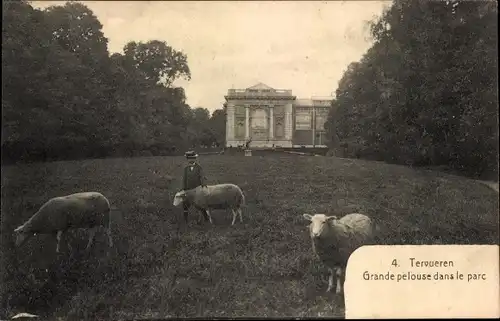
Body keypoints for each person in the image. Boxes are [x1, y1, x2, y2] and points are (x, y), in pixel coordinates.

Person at [182, 151, 209, 223]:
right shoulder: (186, 168)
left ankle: (206, 218)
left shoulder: (199, 168)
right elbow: (184, 179)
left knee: (199, 205)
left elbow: (202, 177)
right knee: (185, 204)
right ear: (187, 159)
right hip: (188, 190)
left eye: (192, 158)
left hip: (197, 189)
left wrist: (203, 186)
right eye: (189, 159)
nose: (191, 160)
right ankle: (185, 220)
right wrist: (183, 188)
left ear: (195, 159)